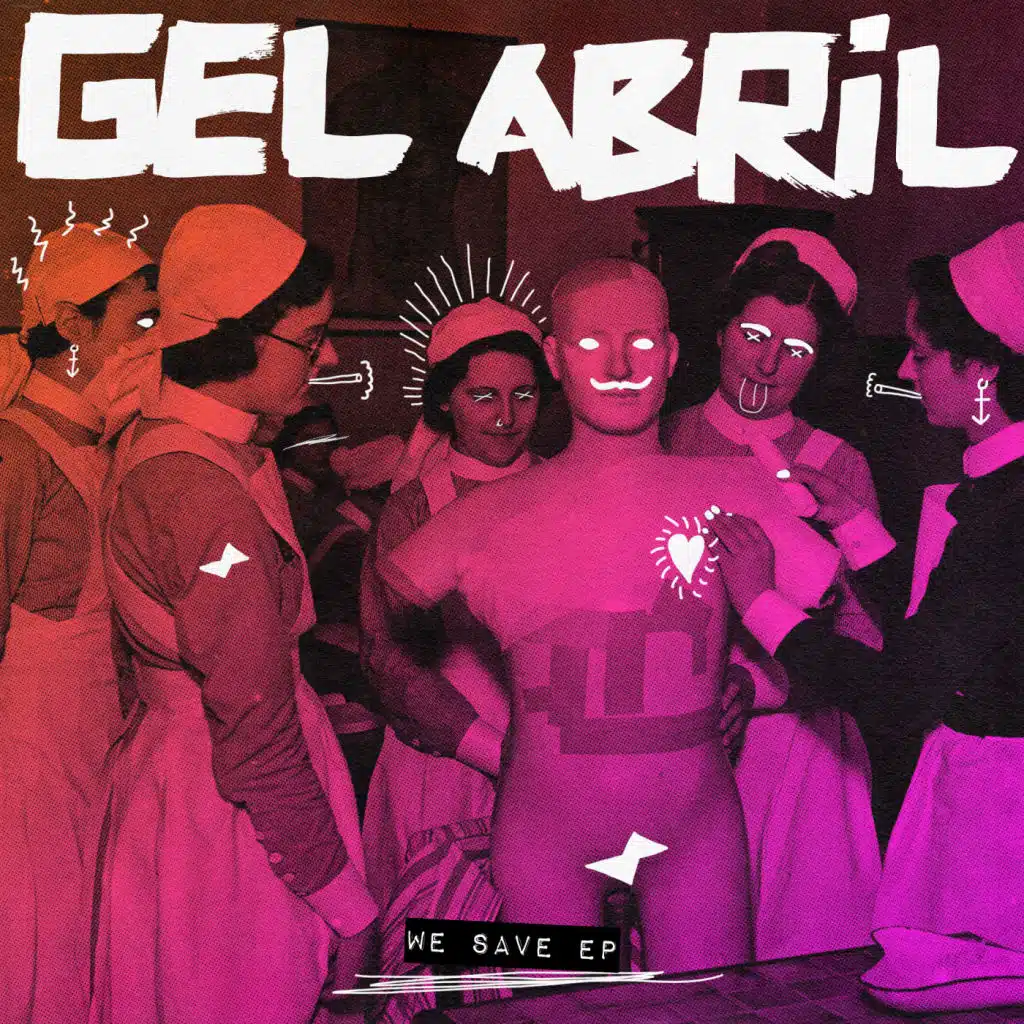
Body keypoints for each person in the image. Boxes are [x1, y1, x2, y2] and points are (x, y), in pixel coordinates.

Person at [375, 259, 843, 972]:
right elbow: (396, 610)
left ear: (673, 353)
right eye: (592, 344)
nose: (620, 366)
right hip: (544, 829)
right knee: (558, 1009)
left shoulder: (740, 487)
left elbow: (845, 632)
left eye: (642, 343)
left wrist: (755, 680)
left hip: (695, 826)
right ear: (556, 357)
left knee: (704, 1007)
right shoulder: (481, 517)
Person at [710, 222, 1024, 1010]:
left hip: (1000, 817)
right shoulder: (999, 487)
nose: (905, 372)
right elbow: (940, 632)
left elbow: (902, 691)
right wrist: (854, 524)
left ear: (982, 371)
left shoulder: (1008, 511)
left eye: (921, 354)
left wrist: (760, 603)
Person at [91, 205, 377, 1024]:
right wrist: (348, 908)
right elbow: (257, 738)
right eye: (310, 339)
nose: (330, 358)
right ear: (235, 337)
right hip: (231, 817)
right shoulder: (204, 495)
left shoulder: (166, 438)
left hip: (177, 783)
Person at [662, 228, 893, 960]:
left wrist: (755, 685)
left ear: (820, 362)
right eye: (753, 336)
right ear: (720, 329)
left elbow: (865, 644)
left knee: (798, 961)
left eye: (795, 350)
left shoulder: (836, 466)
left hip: (799, 752)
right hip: (672, 739)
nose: (766, 364)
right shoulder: (659, 442)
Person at [0, 222, 158, 1024]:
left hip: (98, 738)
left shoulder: (109, 447)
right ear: (70, 325)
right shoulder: (15, 451)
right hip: (28, 754)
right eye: (138, 322)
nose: (152, 341)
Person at [360, 296, 552, 911]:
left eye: (524, 395)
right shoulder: (415, 509)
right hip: (446, 760)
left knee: (548, 940)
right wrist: (492, 752)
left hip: (555, 758)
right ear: (445, 400)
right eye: (483, 397)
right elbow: (388, 658)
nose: (506, 417)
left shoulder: (566, 486)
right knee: (445, 934)